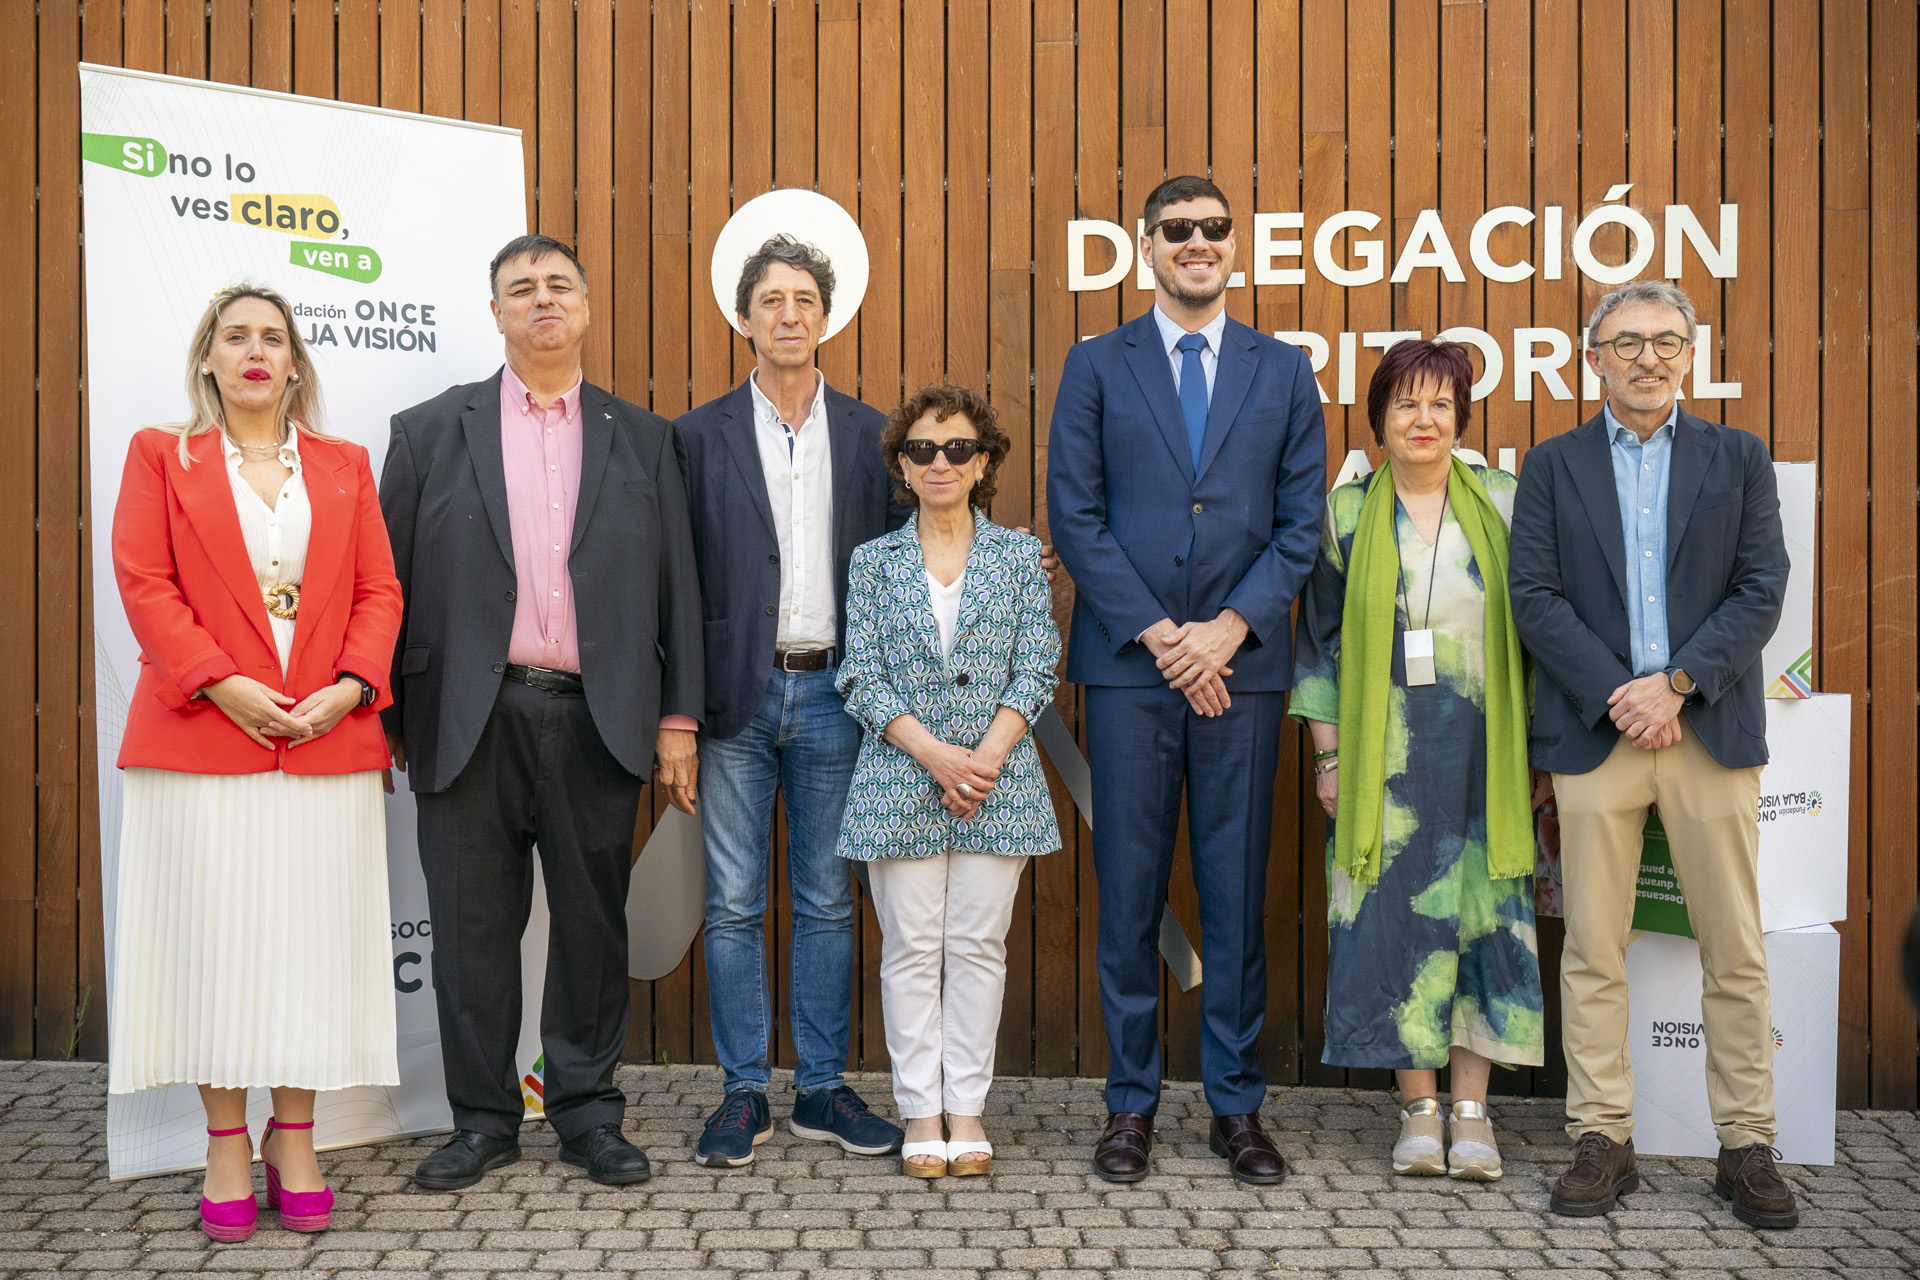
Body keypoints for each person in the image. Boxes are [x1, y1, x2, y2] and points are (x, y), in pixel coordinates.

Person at [380, 235, 703, 1190]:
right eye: (521, 288)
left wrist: (678, 718)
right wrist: (388, 717)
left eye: (559, 284)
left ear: (588, 305)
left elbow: (676, 585)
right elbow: (384, 586)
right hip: (465, 717)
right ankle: (480, 1120)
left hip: (600, 715)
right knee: (472, 931)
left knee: (592, 927)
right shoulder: (430, 430)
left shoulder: (645, 437)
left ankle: (587, 1112)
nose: (542, 300)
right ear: (496, 313)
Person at [1047, 175, 1326, 1185]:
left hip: (1240, 674)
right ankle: (1130, 1104)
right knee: (1127, 893)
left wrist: (1225, 632)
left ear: (1233, 246)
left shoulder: (1285, 371)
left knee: (1235, 892)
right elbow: (1075, 515)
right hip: (1132, 671)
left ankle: (1236, 1105)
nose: (1198, 243)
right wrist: (1168, 637)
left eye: (1215, 229)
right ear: (1147, 245)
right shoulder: (1095, 365)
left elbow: (1301, 525)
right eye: (1179, 231)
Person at [110, 283, 403, 1240]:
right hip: (201, 744)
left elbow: (379, 592)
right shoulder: (162, 456)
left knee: (307, 953)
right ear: (207, 357)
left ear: (295, 362)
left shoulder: (345, 464)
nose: (254, 352)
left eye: (272, 338)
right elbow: (144, 584)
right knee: (215, 951)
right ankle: (227, 1141)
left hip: (325, 745)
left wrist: (353, 687)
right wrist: (219, 683)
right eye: (235, 337)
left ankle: (298, 1135)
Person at [1508, 279, 1794, 1228]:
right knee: (1593, 947)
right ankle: (1603, 1139)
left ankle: (1747, 1145)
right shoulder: (1552, 466)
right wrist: (1620, 694)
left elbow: (1762, 589)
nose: (1648, 359)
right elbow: (1536, 595)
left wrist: (1674, 685)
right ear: (1593, 359)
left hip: (1706, 727)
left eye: (1667, 341)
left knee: (1735, 950)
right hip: (1597, 737)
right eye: (1626, 342)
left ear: (1690, 353)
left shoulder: (1739, 458)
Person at [672, 235, 906, 1165]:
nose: (789, 316)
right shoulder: (692, 437)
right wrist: (677, 716)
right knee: (731, 902)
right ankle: (741, 1093)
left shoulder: (871, 433)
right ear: (745, 318)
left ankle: (819, 1089)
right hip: (735, 697)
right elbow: (676, 586)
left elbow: (899, 564)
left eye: (805, 300)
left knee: (826, 899)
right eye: (771, 301)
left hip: (837, 694)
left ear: (827, 316)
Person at [1289, 339, 1543, 1183]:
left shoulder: (1506, 503)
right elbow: (1319, 646)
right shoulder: (1348, 514)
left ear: (1461, 419)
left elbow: (1536, 640)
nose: (1423, 419)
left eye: (1440, 404)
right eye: (1405, 404)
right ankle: (1419, 1107)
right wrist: (1328, 761)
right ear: (1379, 421)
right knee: (1394, 917)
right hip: (1382, 768)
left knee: (1483, 916)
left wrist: (1541, 754)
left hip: (1485, 760)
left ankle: (1472, 1110)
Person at [835, 384, 1061, 1179]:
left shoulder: (1015, 555)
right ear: (902, 463)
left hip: (998, 782)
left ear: (984, 462)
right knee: (911, 948)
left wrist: (985, 757)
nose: (941, 461)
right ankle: (919, 1113)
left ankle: (966, 1109)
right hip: (902, 777)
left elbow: (1038, 665)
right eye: (924, 449)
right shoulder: (873, 561)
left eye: (958, 448)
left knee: (976, 946)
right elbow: (858, 675)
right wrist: (934, 755)